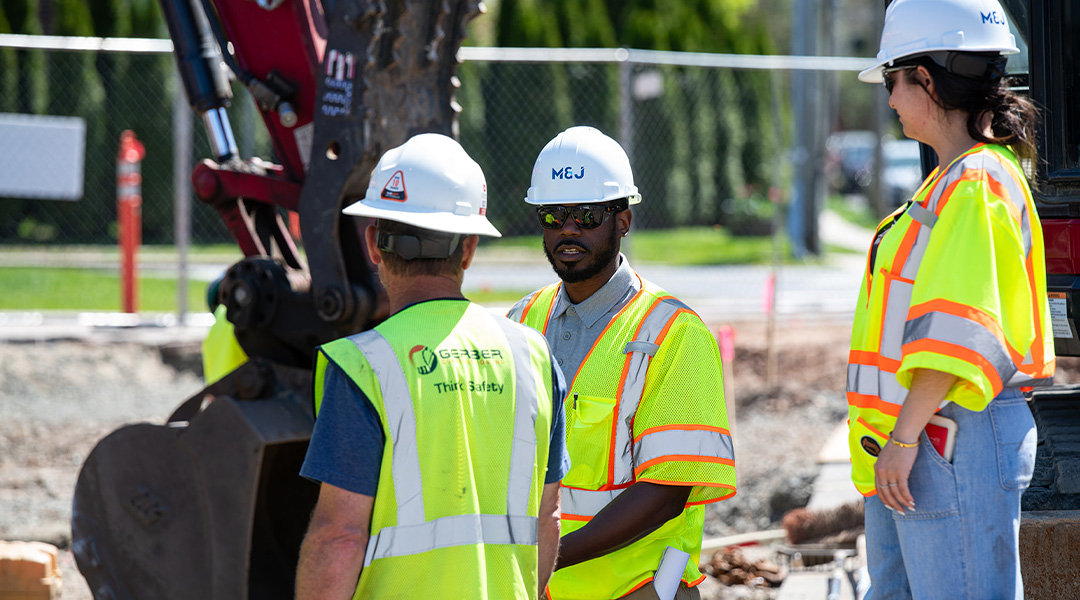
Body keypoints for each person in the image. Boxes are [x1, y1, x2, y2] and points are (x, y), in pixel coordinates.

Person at [295, 133, 570, 599]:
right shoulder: (534, 357)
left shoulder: (364, 366)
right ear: (468, 249)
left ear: (373, 246)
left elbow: (339, 536)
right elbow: (548, 518)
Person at [849, 0, 1055, 597]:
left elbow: (955, 333)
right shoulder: (953, 180)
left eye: (892, 79)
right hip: (925, 440)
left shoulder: (976, 182)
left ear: (928, 79)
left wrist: (906, 438)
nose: (889, 98)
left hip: (941, 437)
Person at [507, 126, 737, 600]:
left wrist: (546, 556)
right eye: (553, 215)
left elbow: (667, 491)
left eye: (587, 215)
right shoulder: (522, 319)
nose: (568, 229)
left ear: (623, 220)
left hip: (635, 588)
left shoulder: (672, 333)